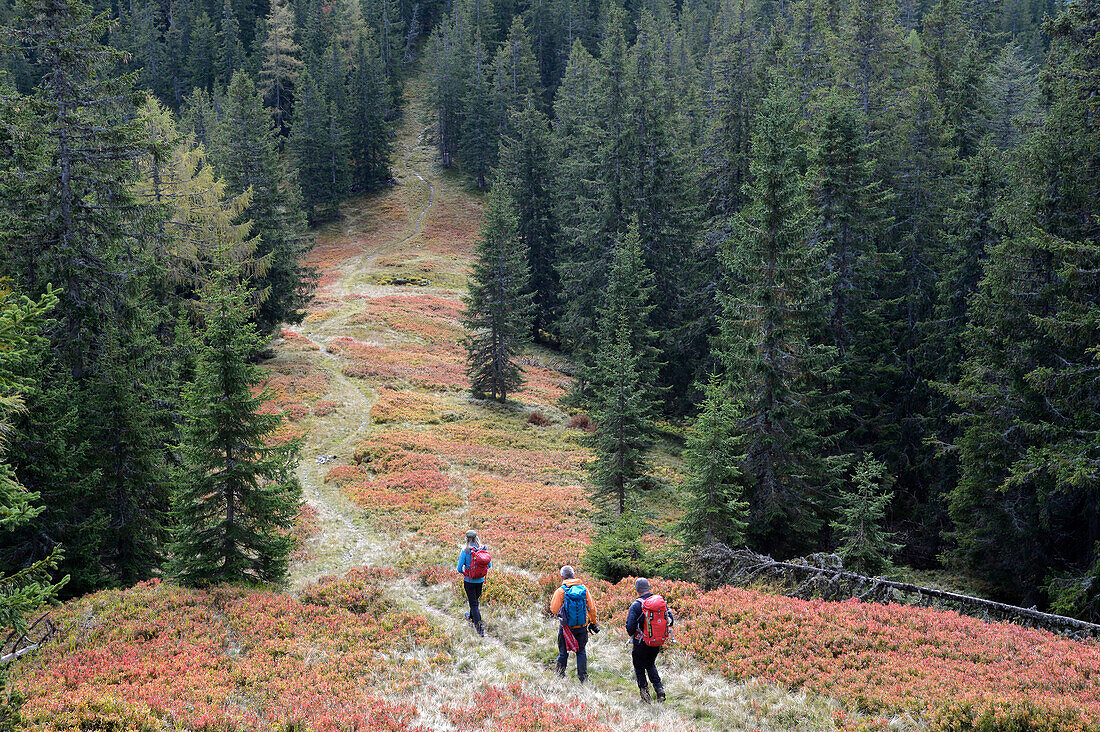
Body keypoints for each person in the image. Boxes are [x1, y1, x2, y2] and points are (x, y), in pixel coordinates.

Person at [625, 577, 673, 703]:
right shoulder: (660, 602)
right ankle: (659, 689)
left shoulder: (636, 605)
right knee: (650, 664)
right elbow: (670, 620)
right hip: (656, 641)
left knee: (639, 667)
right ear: (648, 588)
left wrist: (632, 634)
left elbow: (630, 627)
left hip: (640, 642)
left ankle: (645, 696)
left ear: (637, 589)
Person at [548, 565, 599, 682]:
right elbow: (592, 608)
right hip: (582, 626)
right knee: (581, 651)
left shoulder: (561, 591)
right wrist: (594, 622)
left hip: (566, 628)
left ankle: (560, 675)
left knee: (563, 651)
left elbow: (554, 609)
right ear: (574, 575)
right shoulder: (584, 589)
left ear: (562, 576)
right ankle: (583, 678)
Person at [456, 530, 491, 636]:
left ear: (467, 539)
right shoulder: (483, 550)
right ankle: (470, 618)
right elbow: (489, 566)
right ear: (477, 538)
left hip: (469, 581)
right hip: (480, 580)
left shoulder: (465, 551)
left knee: (474, 604)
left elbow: (459, 568)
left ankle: (480, 629)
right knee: (475, 601)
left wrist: (465, 573)